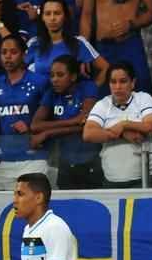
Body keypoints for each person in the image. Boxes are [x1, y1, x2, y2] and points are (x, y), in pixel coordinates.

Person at [82, 60, 152, 188]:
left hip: (146, 178)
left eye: (123, 81)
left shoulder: (143, 98)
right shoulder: (102, 105)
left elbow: (151, 126)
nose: (117, 87)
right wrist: (122, 134)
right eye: (113, 82)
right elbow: (88, 134)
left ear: (133, 83)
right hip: (112, 180)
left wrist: (124, 124)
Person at [30, 55, 101, 189]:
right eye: (52, 75)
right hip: (65, 162)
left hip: (90, 160)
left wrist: (48, 133)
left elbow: (87, 125)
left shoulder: (88, 87)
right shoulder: (51, 93)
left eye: (60, 75)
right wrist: (74, 121)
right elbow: (35, 125)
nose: (54, 80)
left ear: (73, 76)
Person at [0, 35, 47, 190]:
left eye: (13, 52)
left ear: (24, 55)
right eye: (4, 52)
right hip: (4, 161)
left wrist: (30, 128)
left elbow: (50, 117)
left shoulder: (40, 82)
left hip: (34, 159)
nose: (8, 56)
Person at [26, 0, 108, 86]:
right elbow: (18, 71)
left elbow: (105, 68)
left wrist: (90, 92)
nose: (52, 18)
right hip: (40, 99)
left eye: (57, 13)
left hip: (70, 99)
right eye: (48, 14)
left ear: (65, 16)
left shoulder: (78, 43)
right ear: (42, 17)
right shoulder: (34, 43)